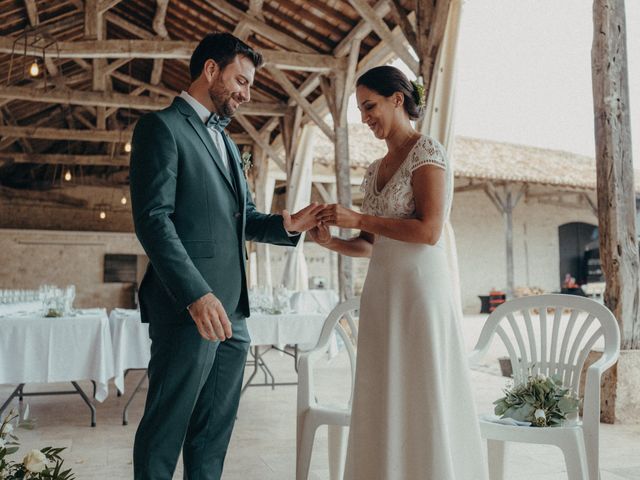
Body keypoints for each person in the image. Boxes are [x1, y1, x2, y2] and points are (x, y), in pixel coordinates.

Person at [129, 33, 321, 480]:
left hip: (234, 312)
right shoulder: (161, 128)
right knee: (165, 428)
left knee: (214, 432)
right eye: (241, 80)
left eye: (250, 85)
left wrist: (287, 225)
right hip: (187, 308)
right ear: (211, 70)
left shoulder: (230, 145)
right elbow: (154, 221)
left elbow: (244, 218)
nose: (245, 93)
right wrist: (196, 295)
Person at [311, 65, 488, 479]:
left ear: (397, 99)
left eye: (369, 105)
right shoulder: (374, 170)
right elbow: (372, 246)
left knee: (421, 390)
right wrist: (334, 241)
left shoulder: (428, 152)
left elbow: (428, 231)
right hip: (382, 294)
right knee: (383, 391)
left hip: (420, 294)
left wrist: (358, 219)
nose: (365, 117)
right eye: (360, 109)